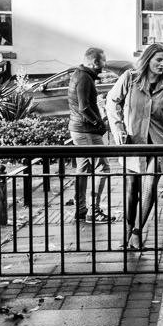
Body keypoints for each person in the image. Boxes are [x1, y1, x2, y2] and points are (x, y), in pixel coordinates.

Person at [106, 42, 163, 250]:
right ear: (148, 59)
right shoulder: (130, 79)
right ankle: (127, 230)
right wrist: (118, 128)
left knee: (150, 186)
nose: (162, 64)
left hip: (161, 143)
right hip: (134, 141)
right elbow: (112, 101)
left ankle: (137, 231)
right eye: (158, 60)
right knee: (131, 188)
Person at [67, 46, 111, 224]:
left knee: (83, 169)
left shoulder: (79, 75)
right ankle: (94, 210)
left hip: (79, 129)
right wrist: (99, 124)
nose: (104, 65)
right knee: (103, 168)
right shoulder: (84, 78)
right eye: (103, 61)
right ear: (94, 62)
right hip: (86, 131)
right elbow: (84, 107)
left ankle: (81, 209)